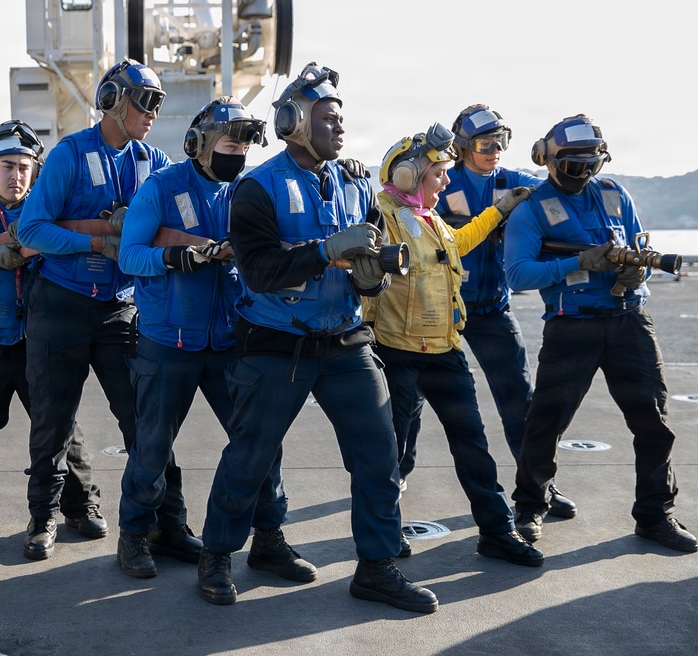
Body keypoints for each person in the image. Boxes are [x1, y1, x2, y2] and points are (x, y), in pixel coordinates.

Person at [197, 62, 438, 613]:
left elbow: (360, 259)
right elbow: (257, 271)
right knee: (251, 455)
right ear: (294, 121)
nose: (341, 128)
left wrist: (371, 271)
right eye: (329, 118)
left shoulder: (354, 183)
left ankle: (376, 568)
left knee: (379, 454)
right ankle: (217, 554)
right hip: (276, 343)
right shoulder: (257, 188)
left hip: (346, 341)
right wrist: (328, 252)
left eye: (342, 119)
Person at [116, 97, 299, 579]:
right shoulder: (160, 188)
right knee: (151, 449)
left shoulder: (249, 190)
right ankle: (134, 536)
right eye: (229, 141)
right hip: (166, 343)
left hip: (229, 341)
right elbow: (129, 258)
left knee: (259, 444)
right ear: (198, 144)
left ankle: (269, 536)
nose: (237, 151)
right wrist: (174, 259)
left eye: (243, 143)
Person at [505, 114, 696, 553]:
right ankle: (531, 505)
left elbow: (635, 251)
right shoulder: (532, 209)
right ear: (549, 160)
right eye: (575, 165)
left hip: (629, 320)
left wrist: (635, 277)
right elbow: (517, 274)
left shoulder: (615, 195)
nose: (585, 173)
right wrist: (578, 262)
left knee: (653, 422)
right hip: (571, 325)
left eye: (593, 163)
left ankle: (655, 514)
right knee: (546, 421)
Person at [16, 58, 174, 561]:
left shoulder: (156, 162)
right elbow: (31, 231)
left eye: (158, 104)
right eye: (145, 102)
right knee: (52, 421)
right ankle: (42, 518)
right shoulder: (68, 155)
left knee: (144, 422)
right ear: (112, 101)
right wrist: (98, 243)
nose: (152, 114)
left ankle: (158, 524)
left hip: (118, 309)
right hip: (59, 306)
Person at [366, 123, 543, 568]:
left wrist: (499, 210)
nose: (447, 180)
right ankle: (384, 538)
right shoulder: (379, 214)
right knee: (391, 452)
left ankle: (497, 532)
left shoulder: (430, 218)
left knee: (473, 445)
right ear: (409, 176)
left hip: (444, 350)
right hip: (396, 352)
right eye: (440, 173)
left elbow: (459, 243)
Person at [0, 120, 101, 541]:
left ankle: (80, 506)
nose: (16, 175)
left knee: (63, 430)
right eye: (6, 165)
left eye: (25, 167)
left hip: (42, 343)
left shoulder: (49, 215)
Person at [434, 105, 577, 520]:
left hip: (493, 309)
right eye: (485, 143)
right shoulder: (442, 181)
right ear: (462, 147)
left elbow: (551, 189)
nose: (495, 150)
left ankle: (538, 486)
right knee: (414, 402)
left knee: (519, 401)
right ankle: (400, 473)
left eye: (502, 142)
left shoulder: (513, 183)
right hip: (444, 309)